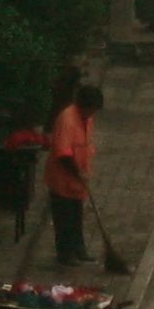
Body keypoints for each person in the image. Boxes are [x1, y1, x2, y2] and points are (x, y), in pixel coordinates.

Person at [46, 85, 103, 266]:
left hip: (77, 181)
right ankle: (65, 254)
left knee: (77, 217)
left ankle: (79, 249)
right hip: (63, 179)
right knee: (65, 219)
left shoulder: (87, 118)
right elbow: (63, 153)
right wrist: (77, 172)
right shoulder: (67, 120)